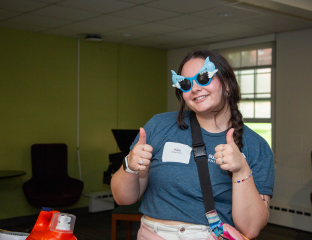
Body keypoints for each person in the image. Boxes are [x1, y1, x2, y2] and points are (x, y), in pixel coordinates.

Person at [111, 49, 274, 240]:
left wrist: (241, 170)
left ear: (228, 84)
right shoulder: (159, 126)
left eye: (204, 77)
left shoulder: (256, 146)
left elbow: (251, 228)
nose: (195, 88)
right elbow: (122, 198)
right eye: (186, 83)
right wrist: (129, 165)